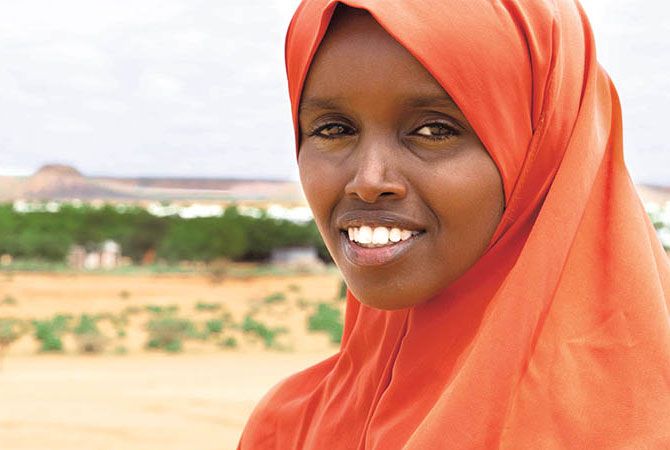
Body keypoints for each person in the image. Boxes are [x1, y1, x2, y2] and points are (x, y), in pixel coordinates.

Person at [239, 0, 670, 448]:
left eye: (435, 130)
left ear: (545, 151)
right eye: (333, 129)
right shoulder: (288, 429)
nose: (369, 181)